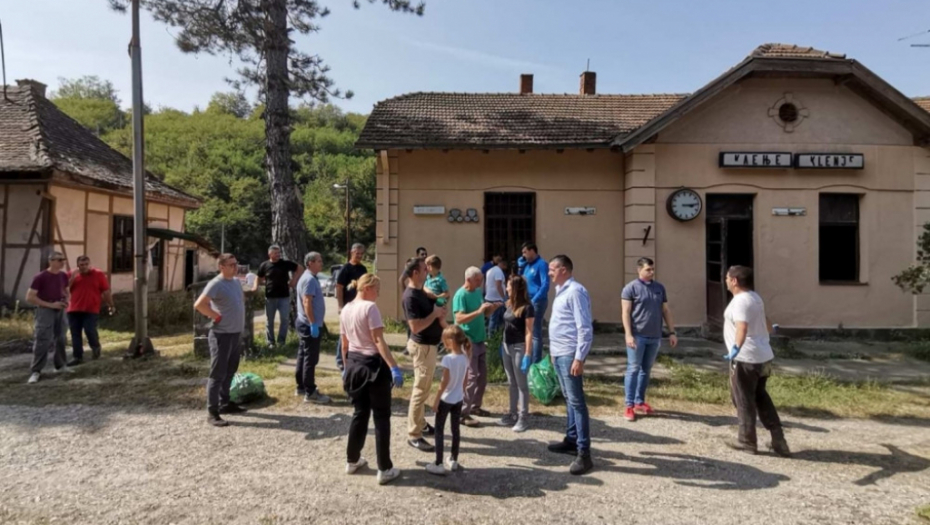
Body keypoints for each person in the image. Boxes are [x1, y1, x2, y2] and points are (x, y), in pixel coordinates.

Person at [341, 274, 404, 485]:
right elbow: (378, 340)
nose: (378, 293)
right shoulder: (370, 308)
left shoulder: (346, 308)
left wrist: (345, 367)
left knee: (359, 413)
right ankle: (384, 468)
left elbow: (344, 344)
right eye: (377, 289)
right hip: (373, 366)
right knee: (381, 416)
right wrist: (394, 366)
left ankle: (352, 460)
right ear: (367, 288)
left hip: (354, 365)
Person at [722, 266, 790, 457]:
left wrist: (736, 347)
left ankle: (747, 442)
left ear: (734, 280)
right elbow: (763, 318)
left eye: (727, 277)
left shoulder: (740, 302)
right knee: (760, 395)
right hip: (763, 355)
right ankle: (778, 439)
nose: (726, 280)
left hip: (746, 358)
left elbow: (742, 327)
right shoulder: (754, 297)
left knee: (743, 398)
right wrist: (770, 329)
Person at [545, 255, 594, 476]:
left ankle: (584, 453)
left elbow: (584, 327)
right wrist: (554, 354)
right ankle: (572, 439)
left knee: (577, 402)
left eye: (552, 269)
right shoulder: (561, 291)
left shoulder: (575, 291)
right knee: (569, 400)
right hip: (559, 354)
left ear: (563, 270)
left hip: (569, 355)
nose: (549, 273)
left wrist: (579, 357)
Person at [620, 257, 678, 422]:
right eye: (648, 270)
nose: (651, 272)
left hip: (655, 336)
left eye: (652, 270)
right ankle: (629, 405)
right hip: (638, 336)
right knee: (633, 369)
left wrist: (671, 332)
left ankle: (640, 401)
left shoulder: (659, 288)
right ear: (639, 270)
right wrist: (628, 334)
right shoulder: (630, 288)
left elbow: (665, 310)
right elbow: (625, 312)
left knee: (646, 369)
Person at [195, 254, 248, 427]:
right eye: (231, 265)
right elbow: (199, 304)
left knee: (230, 371)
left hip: (235, 334)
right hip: (221, 335)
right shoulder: (215, 284)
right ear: (222, 267)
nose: (235, 267)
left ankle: (225, 403)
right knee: (217, 374)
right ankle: (212, 412)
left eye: (236, 264)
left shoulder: (235, 282)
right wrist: (215, 316)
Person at [402, 257, 448, 451]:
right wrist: (435, 314)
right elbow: (416, 326)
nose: (427, 272)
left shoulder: (421, 291)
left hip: (429, 346)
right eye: (423, 269)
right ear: (415, 273)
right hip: (422, 347)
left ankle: (420, 424)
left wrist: (439, 311)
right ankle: (414, 434)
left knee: (425, 387)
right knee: (420, 391)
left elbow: (433, 299)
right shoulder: (410, 296)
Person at [453, 266, 499, 427]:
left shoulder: (477, 292)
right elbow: (459, 318)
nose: (481, 283)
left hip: (480, 339)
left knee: (482, 376)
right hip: (467, 341)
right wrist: (479, 311)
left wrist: (491, 309)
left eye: (481, 279)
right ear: (469, 279)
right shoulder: (461, 295)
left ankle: (475, 406)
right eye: (478, 280)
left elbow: (483, 314)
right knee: (471, 377)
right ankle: (462, 413)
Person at [426, 325, 471, 476]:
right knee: (455, 430)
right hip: (458, 399)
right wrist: (462, 392)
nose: (443, 343)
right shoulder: (465, 357)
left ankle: (438, 463)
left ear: (451, 341)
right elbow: (465, 381)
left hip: (446, 399)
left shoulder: (448, 359)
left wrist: (436, 400)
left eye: (444, 340)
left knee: (439, 430)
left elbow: (444, 382)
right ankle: (453, 459)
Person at [25, 252, 71, 384]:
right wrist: (51, 305)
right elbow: (30, 297)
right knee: (43, 339)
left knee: (61, 337)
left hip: (60, 310)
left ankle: (60, 365)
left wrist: (66, 300)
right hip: (45, 310)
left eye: (63, 260)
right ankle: (36, 371)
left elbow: (67, 291)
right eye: (59, 260)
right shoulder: (40, 277)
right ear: (51, 261)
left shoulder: (63, 276)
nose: (62, 262)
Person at [498, 275, 535, 432]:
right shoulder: (509, 305)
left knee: (521, 384)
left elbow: (528, 332)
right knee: (511, 382)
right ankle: (512, 414)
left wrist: (527, 353)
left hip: (519, 347)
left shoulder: (527, 307)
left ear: (516, 289)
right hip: (506, 346)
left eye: (508, 286)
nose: (506, 288)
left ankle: (523, 418)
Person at [66, 255, 114, 366]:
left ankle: (95, 347)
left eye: (86, 264)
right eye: (81, 265)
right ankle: (77, 357)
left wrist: (111, 305)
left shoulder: (98, 274)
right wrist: (72, 277)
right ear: (78, 265)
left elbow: (106, 291)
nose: (84, 267)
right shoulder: (71, 274)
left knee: (89, 330)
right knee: (75, 333)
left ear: (90, 264)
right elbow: (64, 289)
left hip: (91, 309)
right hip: (73, 308)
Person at [295, 252, 330, 404]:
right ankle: (310, 392)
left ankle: (301, 386)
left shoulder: (309, 277)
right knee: (310, 358)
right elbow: (307, 302)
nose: (321, 263)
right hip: (308, 324)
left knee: (303, 355)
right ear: (310, 263)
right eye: (319, 261)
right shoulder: (308, 279)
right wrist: (313, 323)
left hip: (305, 323)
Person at [253, 244, 303, 346]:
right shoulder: (264, 265)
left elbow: (300, 268)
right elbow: (258, 277)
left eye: (279, 253)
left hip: (284, 296)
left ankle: (281, 341)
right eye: (275, 253)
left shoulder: (285, 263)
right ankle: (270, 342)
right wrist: (255, 287)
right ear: (269, 254)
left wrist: (294, 280)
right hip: (270, 297)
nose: (278, 255)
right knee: (269, 321)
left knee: (284, 319)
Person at [336, 243, 368, 371]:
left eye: (361, 254)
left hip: (359, 305)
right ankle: (340, 359)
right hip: (347, 306)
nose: (359, 256)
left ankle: (354, 356)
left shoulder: (363, 269)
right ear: (351, 252)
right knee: (344, 333)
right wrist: (340, 305)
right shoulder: (345, 269)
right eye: (357, 253)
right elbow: (339, 288)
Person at [519, 242, 550, 363]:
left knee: (535, 332)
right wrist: (520, 267)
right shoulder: (527, 266)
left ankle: (536, 361)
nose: (523, 255)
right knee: (527, 330)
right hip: (527, 301)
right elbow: (521, 281)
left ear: (532, 251)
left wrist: (534, 300)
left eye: (525, 252)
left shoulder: (541, 264)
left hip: (537, 302)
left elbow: (545, 285)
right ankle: (528, 356)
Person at [485, 256, 508, 336]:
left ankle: (492, 337)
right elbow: (498, 285)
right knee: (494, 320)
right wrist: (504, 297)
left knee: (492, 319)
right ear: (503, 264)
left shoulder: (490, 270)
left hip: (489, 297)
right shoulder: (498, 272)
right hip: (496, 298)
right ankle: (492, 338)